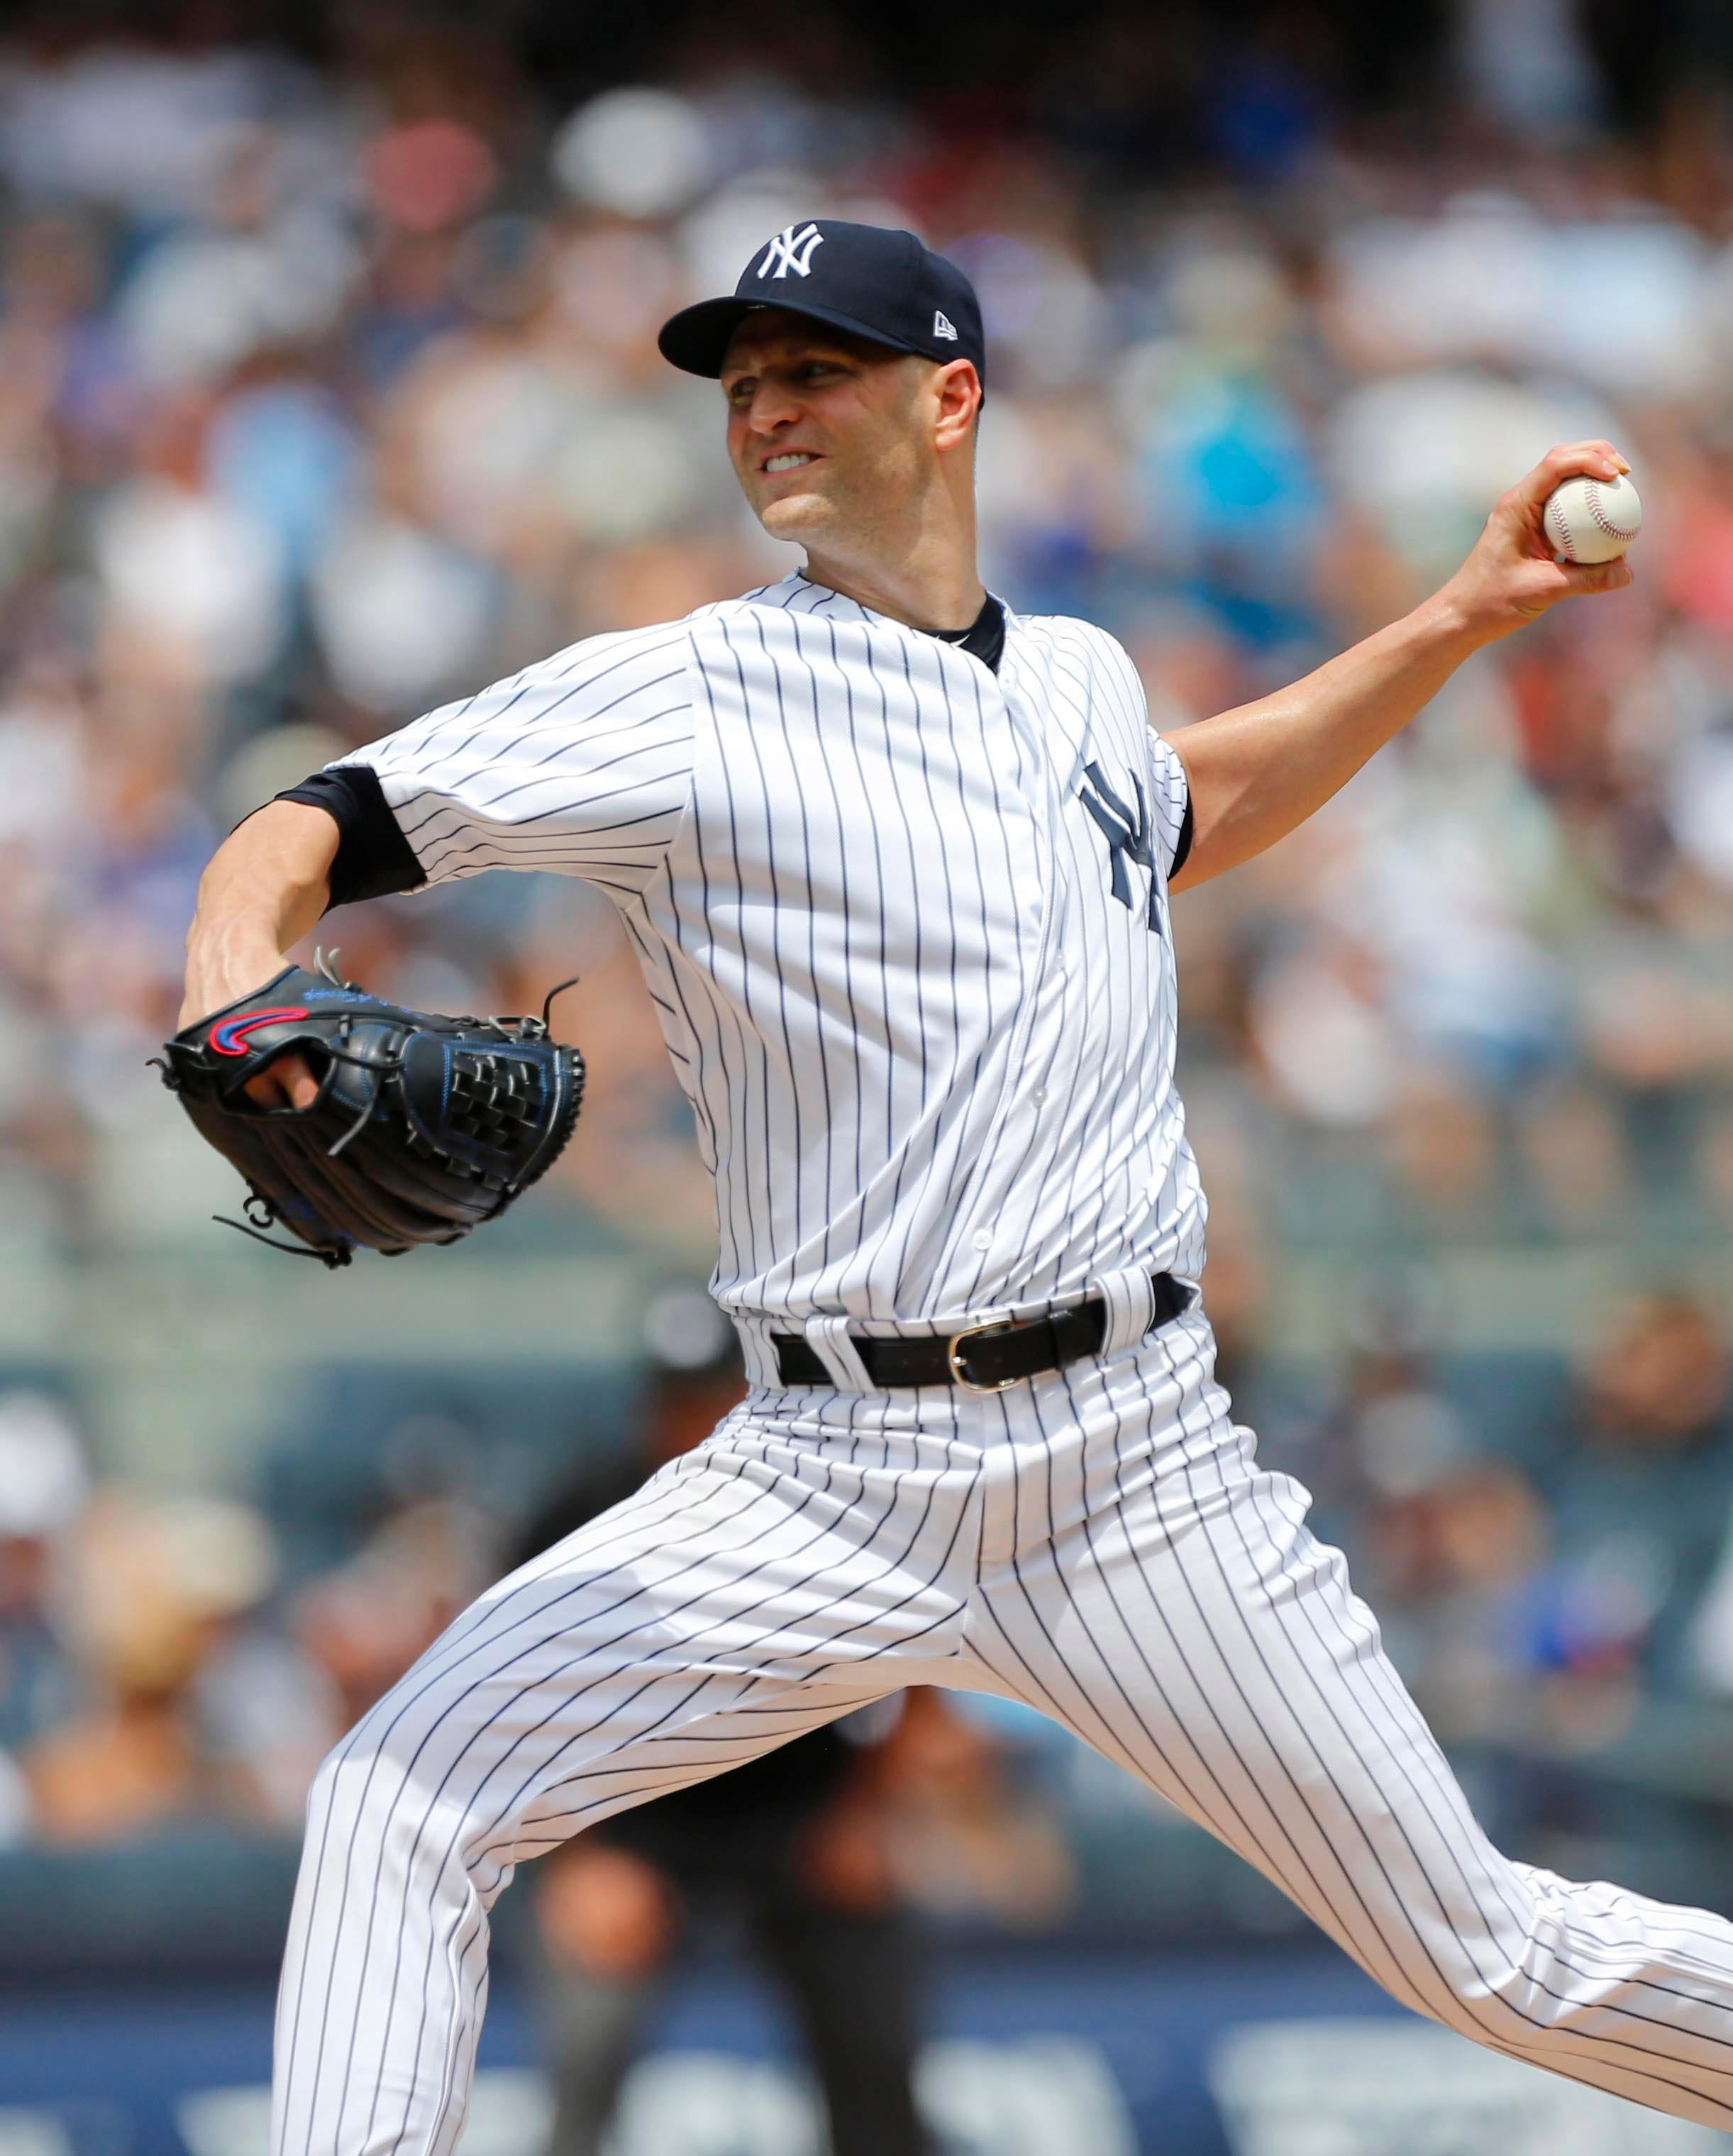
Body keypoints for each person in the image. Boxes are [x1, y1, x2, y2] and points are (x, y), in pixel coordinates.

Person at [177, 221, 1733, 2156]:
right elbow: (317, 820)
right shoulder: (693, 692)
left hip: (1133, 1465)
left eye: (812, 370)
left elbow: (1188, 809)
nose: (768, 413)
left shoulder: (1075, 680)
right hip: (818, 1474)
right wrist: (235, 977)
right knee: (399, 1797)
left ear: (950, 395)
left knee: (1487, 1950)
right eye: (743, 388)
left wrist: (1452, 622)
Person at [516, 1300, 934, 2156]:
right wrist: (578, 1860)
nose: (696, 1420)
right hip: (632, 1828)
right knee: (583, 2066)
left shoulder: (835, 1507)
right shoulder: (583, 1517)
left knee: (878, 2068)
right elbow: (513, 1708)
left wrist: (863, 1813)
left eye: (717, 1396)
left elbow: (925, 1664)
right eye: (678, 1400)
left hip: (802, 1815)